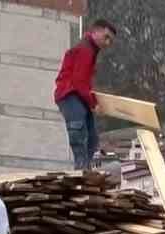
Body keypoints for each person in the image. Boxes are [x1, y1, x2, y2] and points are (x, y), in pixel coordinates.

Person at [53, 19, 118, 171]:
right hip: (69, 94)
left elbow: (85, 82)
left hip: (77, 95)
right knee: (79, 131)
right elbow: (79, 82)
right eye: (106, 37)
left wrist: (93, 100)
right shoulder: (86, 50)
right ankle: (81, 168)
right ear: (95, 32)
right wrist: (94, 104)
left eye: (111, 41)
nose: (107, 43)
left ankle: (85, 168)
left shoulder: (91, 50)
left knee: (92, 137)